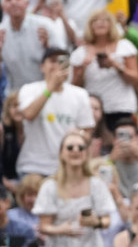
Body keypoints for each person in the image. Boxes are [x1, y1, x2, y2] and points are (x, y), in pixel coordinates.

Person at [33, 131, 116, 247]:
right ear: (61, 154)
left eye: (81, 147)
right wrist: (61, 230)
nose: (76, 150)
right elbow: (44, 226)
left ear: (86, 153)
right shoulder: (49, 186)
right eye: (70, 147)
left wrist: (96, 222)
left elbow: (107, 221)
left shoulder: (97, 184)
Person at [16, 49, 95, 178]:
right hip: (33, 167)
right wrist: (51, 88)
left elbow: (87, 132)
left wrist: (77, 134)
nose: (57, 66)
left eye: (62, 61)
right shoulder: (29, 89)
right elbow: (29, 114)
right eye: (52, 61)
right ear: (42, 67)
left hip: (67, 168)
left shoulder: (80, 94)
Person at [70, 9, 138, 126]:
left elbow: (135, 80)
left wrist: (116, 66)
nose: (100, 23)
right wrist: (83, 68)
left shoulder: (124, 47)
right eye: (95, 20)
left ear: (112, 25)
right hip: (92, 110)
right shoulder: (80, 54)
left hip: (121, 107)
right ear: (89, 26)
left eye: (105, 20)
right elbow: (74, 88)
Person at [0, 0, 64, 91]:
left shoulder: (46, 26)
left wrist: (48, 47)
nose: (13, 2)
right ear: (3, 7)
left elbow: (63, 63)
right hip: (16, 95)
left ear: (27, 3)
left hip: (46, 90)